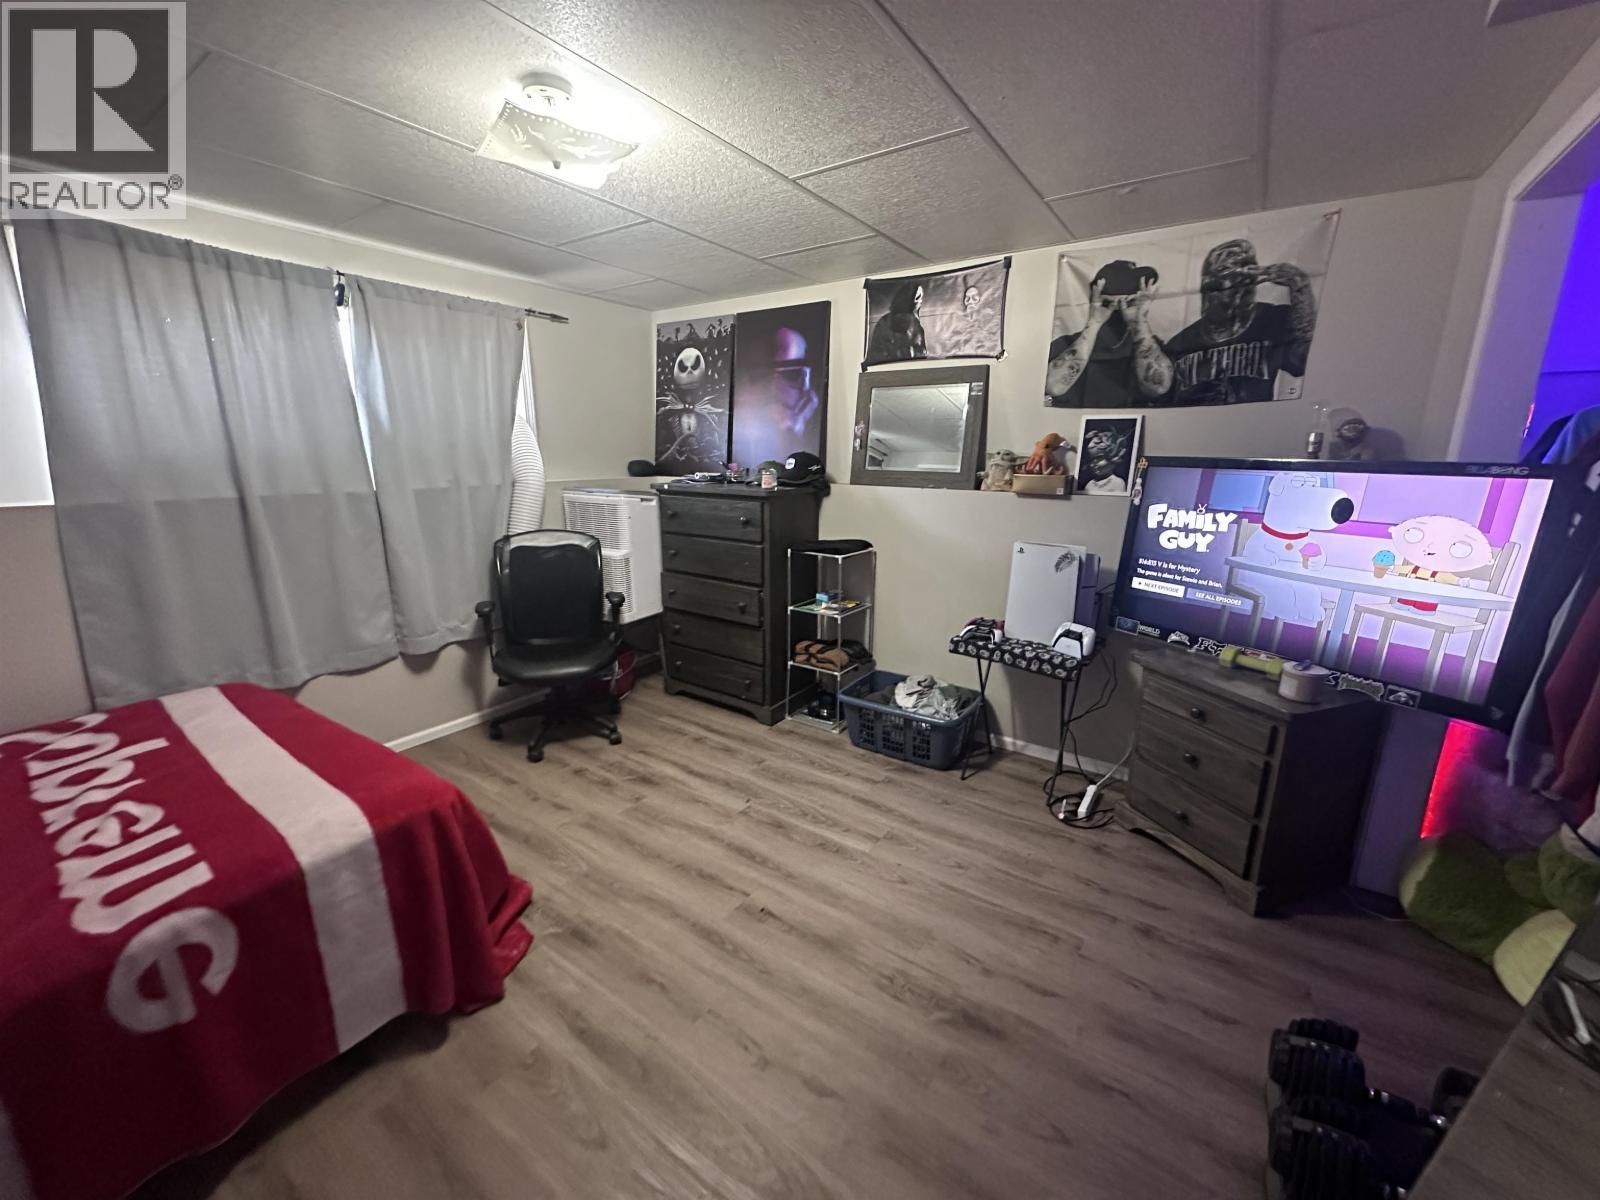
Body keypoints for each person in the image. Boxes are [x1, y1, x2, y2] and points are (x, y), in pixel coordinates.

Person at [1162, 239, 1316, 406]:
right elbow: (1161, 398)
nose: (1234, 294)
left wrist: (1300, 287)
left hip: (1252, 421)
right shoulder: (1181, 342)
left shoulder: (1271, 319)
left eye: (1242, 283)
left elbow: (1303, 362)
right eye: (1214, 286)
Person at [1044, 261, 1173, 408]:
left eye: (1130, 302)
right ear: (1093, 302)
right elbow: (1054, 387)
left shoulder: (1148, 345)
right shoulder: (1067, 344)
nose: (1119, 309)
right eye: (1108, 303)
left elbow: (1159, 387)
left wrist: (1138, 322)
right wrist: (1095, 323)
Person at [866, 280, 928, 363]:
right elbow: (877, 353)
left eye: (919, 298)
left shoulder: (915, 323)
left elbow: (921, 351)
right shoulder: (885, 322)